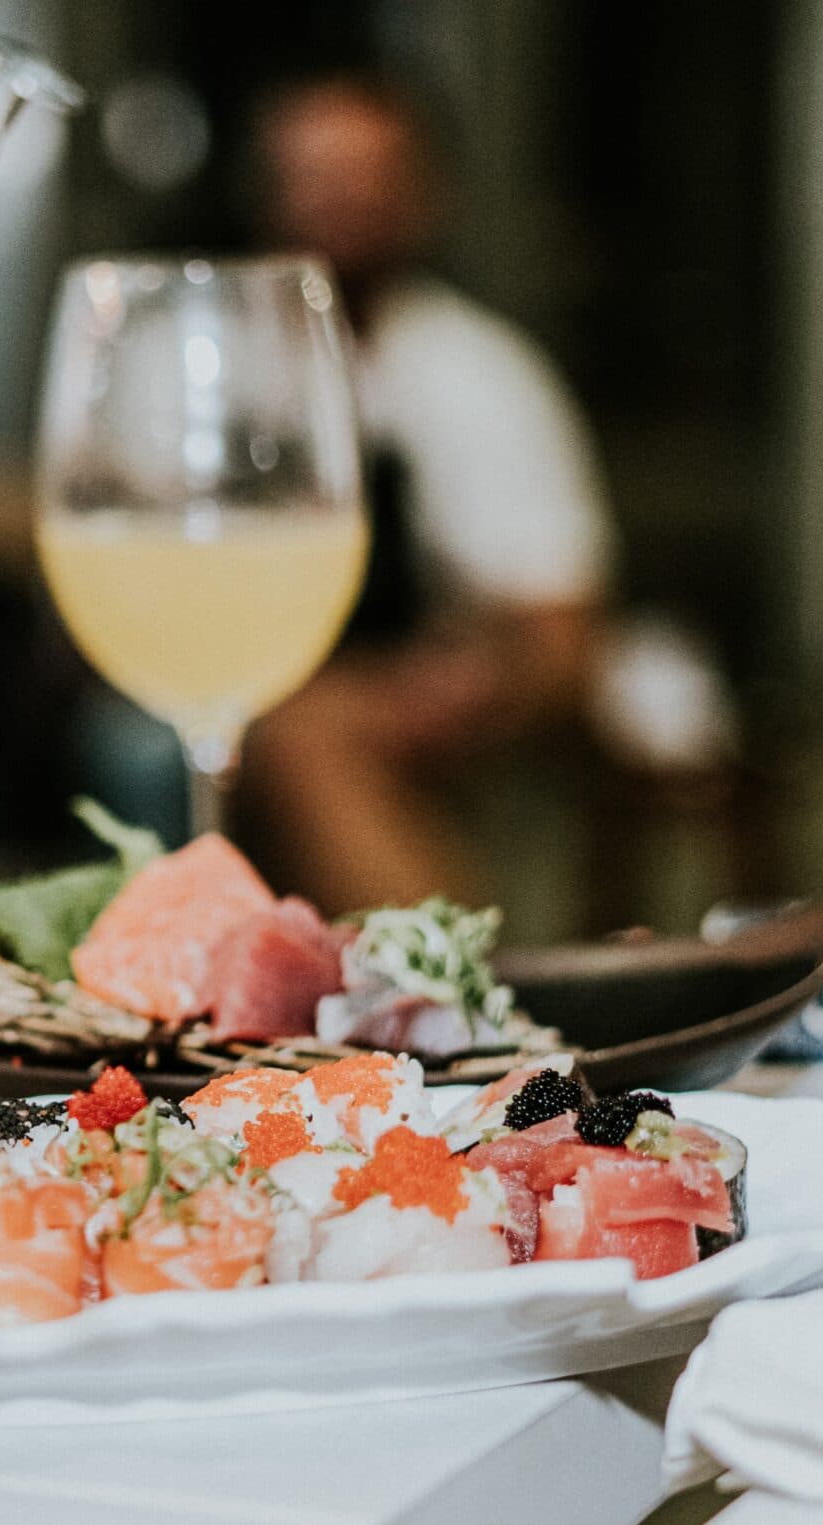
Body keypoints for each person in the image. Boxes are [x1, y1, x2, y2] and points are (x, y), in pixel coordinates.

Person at [235, 75, 623, 914]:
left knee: (306, 739)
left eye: (366, 175)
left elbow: (566, 633)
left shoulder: (481, 374)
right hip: (210, 691)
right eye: (313, 174)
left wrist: (473, 683)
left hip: (383, 694)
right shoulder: (206, 365)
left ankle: (439, 997)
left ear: (425, 195)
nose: (338, 202)